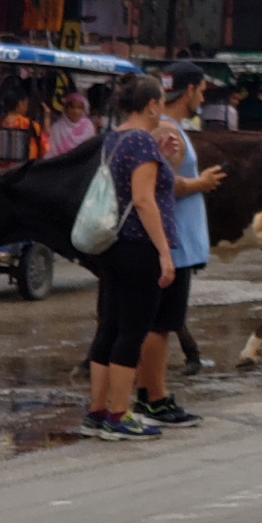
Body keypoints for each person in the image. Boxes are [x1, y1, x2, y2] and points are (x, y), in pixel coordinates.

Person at [81, 75, 177, 442]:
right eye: (162, 100)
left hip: (113, 246)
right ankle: (120, 414)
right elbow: (142, 199)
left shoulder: (116, 138)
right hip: (140, 246)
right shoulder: (140, 141)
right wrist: (165, 252)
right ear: (152, 105)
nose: (164, 107)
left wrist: (160, 157)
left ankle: (97, 409)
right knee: (131, 331)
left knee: (109, 327)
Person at [134, 63, 227, 424]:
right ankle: (154, 397)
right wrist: (200, 183)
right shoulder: (169, 131)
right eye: (201, 91)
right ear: (188, 90)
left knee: (158, 323)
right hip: (175, 244)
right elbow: (164, 184)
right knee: (161, 324)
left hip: (175, 242)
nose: (202, 98)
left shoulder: (167, 128)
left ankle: (148, 393)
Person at [47, 89, 95, 156]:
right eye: (71, 107)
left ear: (84, 110)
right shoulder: (57, 128)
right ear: (65, 109)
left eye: (79, 108)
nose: (75, 111)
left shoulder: (88, 126)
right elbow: (51, 151)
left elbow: (89, 150)